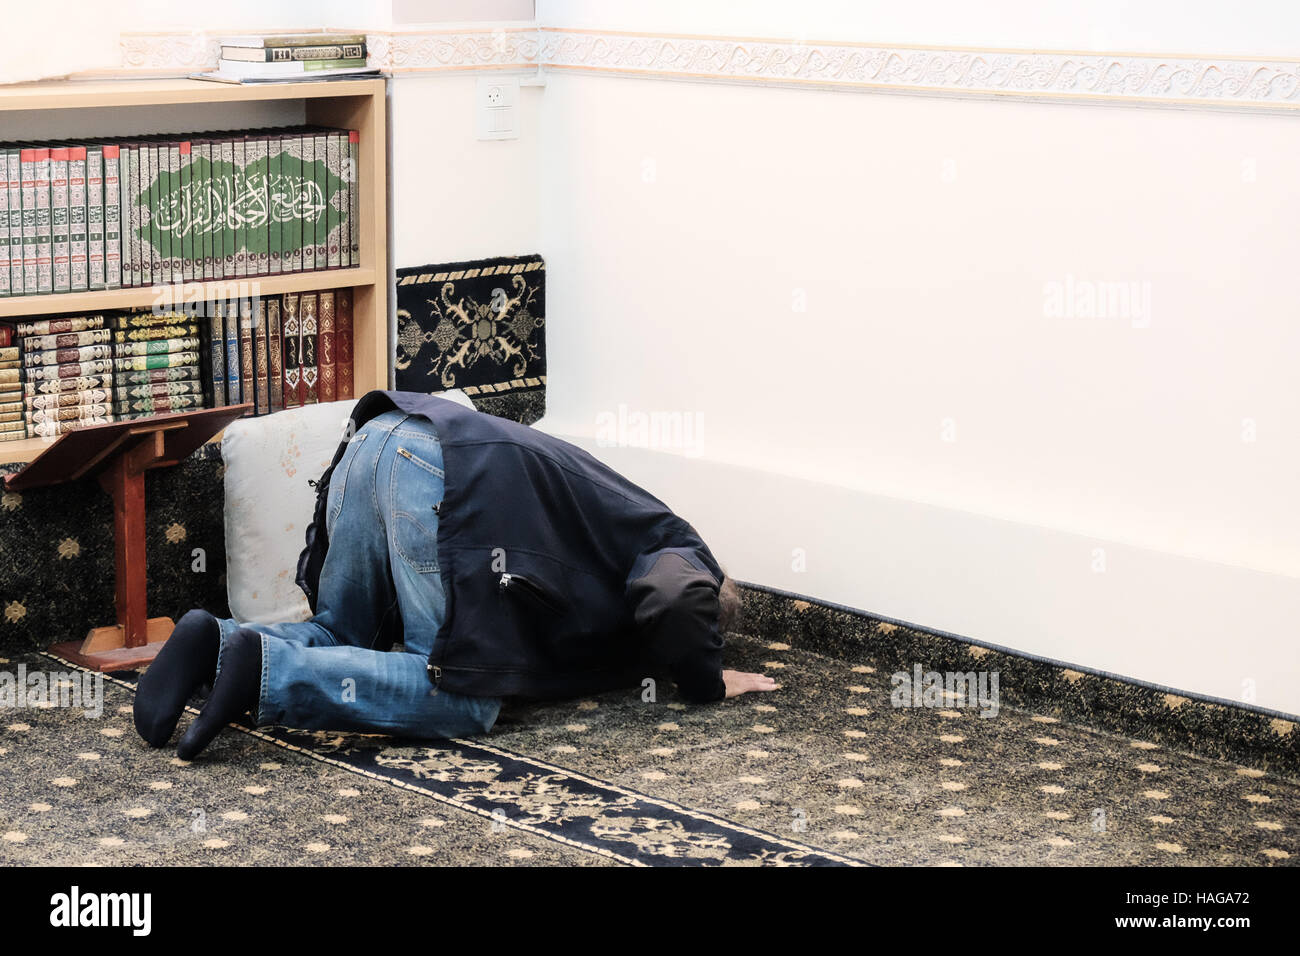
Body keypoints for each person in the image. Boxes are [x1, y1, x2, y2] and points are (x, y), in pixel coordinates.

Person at [134, 389, 777, 760]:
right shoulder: (679, 549)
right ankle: (263, 671)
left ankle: (217, 642)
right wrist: (706, 679)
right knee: (460, 690)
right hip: (439, 475)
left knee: (345, 631)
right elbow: (674, 599)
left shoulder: (617, 529)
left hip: (375, 438)